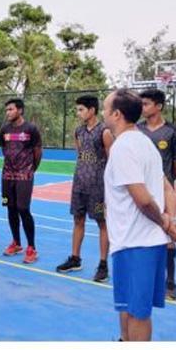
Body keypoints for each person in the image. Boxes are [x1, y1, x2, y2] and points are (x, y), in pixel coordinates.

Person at [103, 89, 176, 341]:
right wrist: (170, 219)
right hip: (135, 242)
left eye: (106, 109)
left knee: (138, 313)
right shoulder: (144, 143)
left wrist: (165, 223)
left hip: (137, 243)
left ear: (116, 114)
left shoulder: (124, 147)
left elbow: (143, 199)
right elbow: (166, 186)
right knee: (127, 307)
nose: (104, 113)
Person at [139, 88, 176, 299]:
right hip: (140, 190)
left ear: (158, 106)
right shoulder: (136, 130)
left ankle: (170, 282)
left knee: (168, 233)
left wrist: (166, 180)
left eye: (146, 104)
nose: (142, 108)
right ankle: (146, 278)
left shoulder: (173, 132)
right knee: (141, 234)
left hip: (164, 191)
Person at [58, 95, 113, 282]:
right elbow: (80, 155)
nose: (78, 112)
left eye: (81, 109)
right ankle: (75, 258)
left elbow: (111, 160)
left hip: (98, 188)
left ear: (92, 110)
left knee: (102, 223)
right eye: (77, 109)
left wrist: (109, 188)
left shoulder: (104, 132)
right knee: (78, 219)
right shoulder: (78, 131)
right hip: (80, 185)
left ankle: (103, 264)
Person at [0, 98, 42, 263]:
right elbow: (4, 147)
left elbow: (37, 150)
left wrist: (31, 168)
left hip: (25, 175)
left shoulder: (31, 129)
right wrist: (11, 166)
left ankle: (31, 247)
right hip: (7, 176)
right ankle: (16, 242)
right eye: (7, 110)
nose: (8, 112)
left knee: (23, 208)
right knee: (10, 208)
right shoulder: (4, 129)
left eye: (11, 109)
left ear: (20, 110)